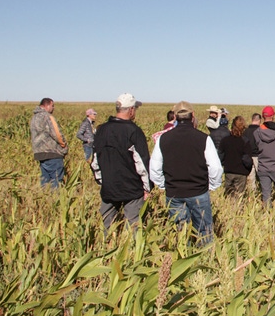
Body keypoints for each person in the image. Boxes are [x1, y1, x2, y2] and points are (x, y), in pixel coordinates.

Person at [150, 101, 223, 246]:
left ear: (175, 116)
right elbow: (215, 168)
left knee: (181, 233)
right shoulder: (203, 138)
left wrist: (164, 185)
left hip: (174, 194)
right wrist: (212, 185)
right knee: (204, 232)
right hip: (198, 192)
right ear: (193, 116)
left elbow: (154, 168)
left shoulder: (163, 139)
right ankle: (206, 262)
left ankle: (184, 261)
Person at [90, 94, 149, 233]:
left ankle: (105, 251)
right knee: (133, 227)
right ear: (130, 110)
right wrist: (147, 187)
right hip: (132, 187)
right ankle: (132, 252)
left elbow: (95, 160)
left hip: (108, 186)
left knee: (107, 226)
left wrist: (101, 181)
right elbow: (142, 162)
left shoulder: (101, 130)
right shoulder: (134, 131)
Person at [254, 106, 275, 206]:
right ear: (273, 116)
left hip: (263, 167)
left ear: (263, 116)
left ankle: (267, 216)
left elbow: (255, 148)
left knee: (266, 195)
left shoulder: (257, 132)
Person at [30, 97, 68, 188]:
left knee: (45, 179)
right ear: (47, 105)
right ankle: (55, 199)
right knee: (56, 179)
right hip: (52, 152)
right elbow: (57, 134)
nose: (53, 108)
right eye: (52, 106)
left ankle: (46, 199)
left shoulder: (34, 118)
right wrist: (64, 146)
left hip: (39, 153)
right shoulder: (48, 117)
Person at [219, 116, 253, 197]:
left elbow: (220, 156)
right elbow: (247, 160)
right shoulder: (245, 141)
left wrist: (224, 165)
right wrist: (248, 170)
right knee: (239, 197)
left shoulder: (225, 140)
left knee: (229, 196)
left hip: (229, 172)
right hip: (241, 173)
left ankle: (230, 209)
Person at [242, 113, 262, 193]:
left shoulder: (246, 131)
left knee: (250, 178)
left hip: (248, 156)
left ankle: (252, 194)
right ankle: (261, 192)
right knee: (261, 176)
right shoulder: (260, 131)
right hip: (258, 156)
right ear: (259, 120)